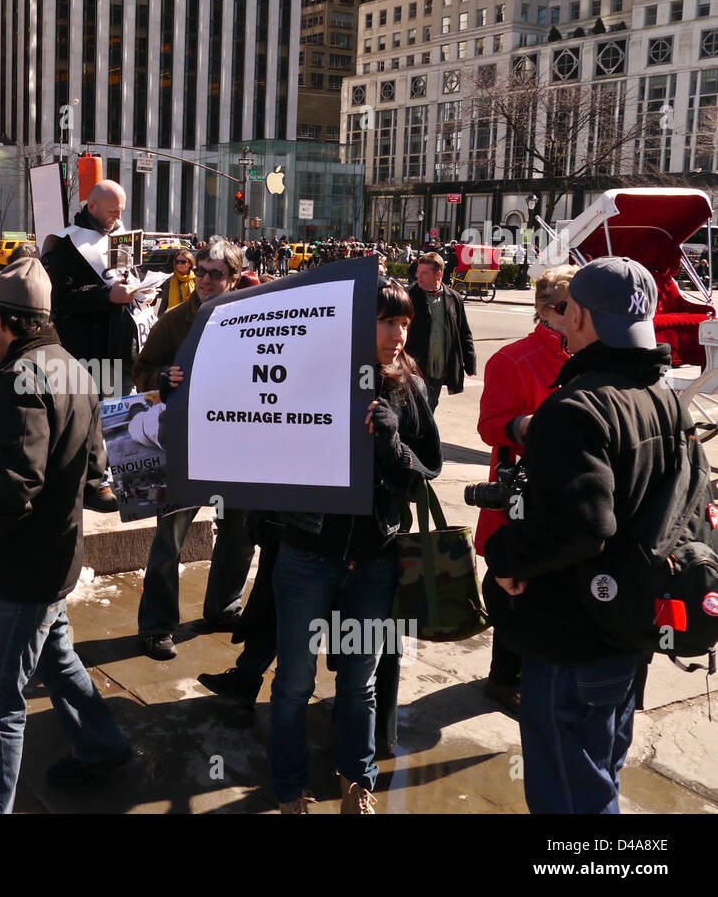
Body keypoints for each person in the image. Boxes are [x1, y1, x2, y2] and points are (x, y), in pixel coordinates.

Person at [0, 259, 128, 814]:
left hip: (28, 569)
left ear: (2, 321)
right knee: (57, 659)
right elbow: (87, 461)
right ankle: (103, 745)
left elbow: (12, 487)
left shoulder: (19, 378)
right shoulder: (67, 367)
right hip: (55, 557)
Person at [485, 257, 673, 814]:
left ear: (579, 316)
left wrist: (506, 558)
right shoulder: (662, 398)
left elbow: (582, 526)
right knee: (600, 779)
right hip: (630, 630)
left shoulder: (577, 406)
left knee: (571, 800)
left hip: (573, 640)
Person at [270, 275, 442, 814]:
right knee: (294, 682)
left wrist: (394, 445)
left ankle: (357, 781)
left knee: (358, 683)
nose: (398, 335)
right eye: (388, 321)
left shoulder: (409, 386)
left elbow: (427, 468)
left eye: (405, 324)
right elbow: (259, 426)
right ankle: (290, 786)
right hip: (306, 553)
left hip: (374, 558)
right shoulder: (309, 374)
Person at [131, 241, 255, 660]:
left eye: (216, 274)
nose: (204, 279)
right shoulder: (172, 321)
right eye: (201, 271)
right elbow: (141, 372)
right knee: (169, 540)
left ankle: (223, 609)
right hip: (185, 449)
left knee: (239, 537)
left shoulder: (255, 319)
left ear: (234, 279)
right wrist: (162, 377)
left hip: (237, 449)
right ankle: (157, 625)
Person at [474, 266, 575, 715]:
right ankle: (503, 677)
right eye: (566, 308)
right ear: (544, 310)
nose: (574, 317)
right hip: (522, 493)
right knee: (513, 583)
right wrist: (525, 425)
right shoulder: (511, 359)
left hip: (572, 492)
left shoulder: (593, 355)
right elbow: (489, 426)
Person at [41, 180, 138, 398]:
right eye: (112, 211)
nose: (118, 218)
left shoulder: (121, 236)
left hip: (123, 351)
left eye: (121, 211)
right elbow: (62, 299)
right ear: (92, 207)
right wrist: (107, 296)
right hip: (89, 354)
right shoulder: (68, 243)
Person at [405, 252, 476, 410]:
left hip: (438, 367)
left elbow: (464, 331)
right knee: (414, 409)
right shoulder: (409, 296)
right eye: (418, 272)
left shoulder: (454, 298)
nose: (419, 277)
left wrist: (469, 362)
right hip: (414, 368)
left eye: (424, 273)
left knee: (430, 407)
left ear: (438, 274)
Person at [156, 248, 196, 316]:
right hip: (174, 317)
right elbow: (164, 302)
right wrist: (159, 320)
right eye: (177, 262)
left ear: (190, 263)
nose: (179, 264)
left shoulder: (197, 279)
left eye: (183, 262)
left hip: (193, 317)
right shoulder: (170, 280)